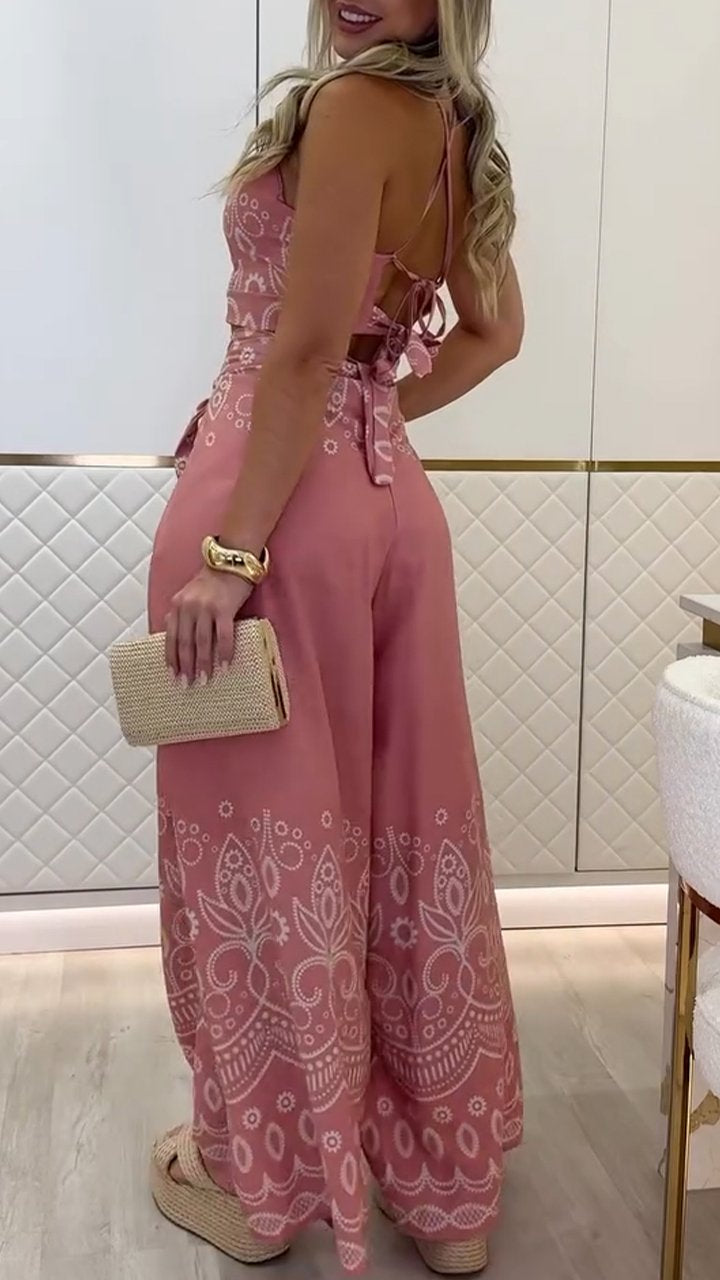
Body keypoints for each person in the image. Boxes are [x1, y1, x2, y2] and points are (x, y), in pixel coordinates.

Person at [146, 1, 525, 1274]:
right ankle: (443, 1194)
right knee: (407, 829)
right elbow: (495, 330)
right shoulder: (452, 125)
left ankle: (259, 1178)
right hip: (389, 506)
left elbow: (304, 350)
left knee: (264, 840)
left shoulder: (354, 102)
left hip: (275, 508)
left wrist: (231, 555)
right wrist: (382, 409)